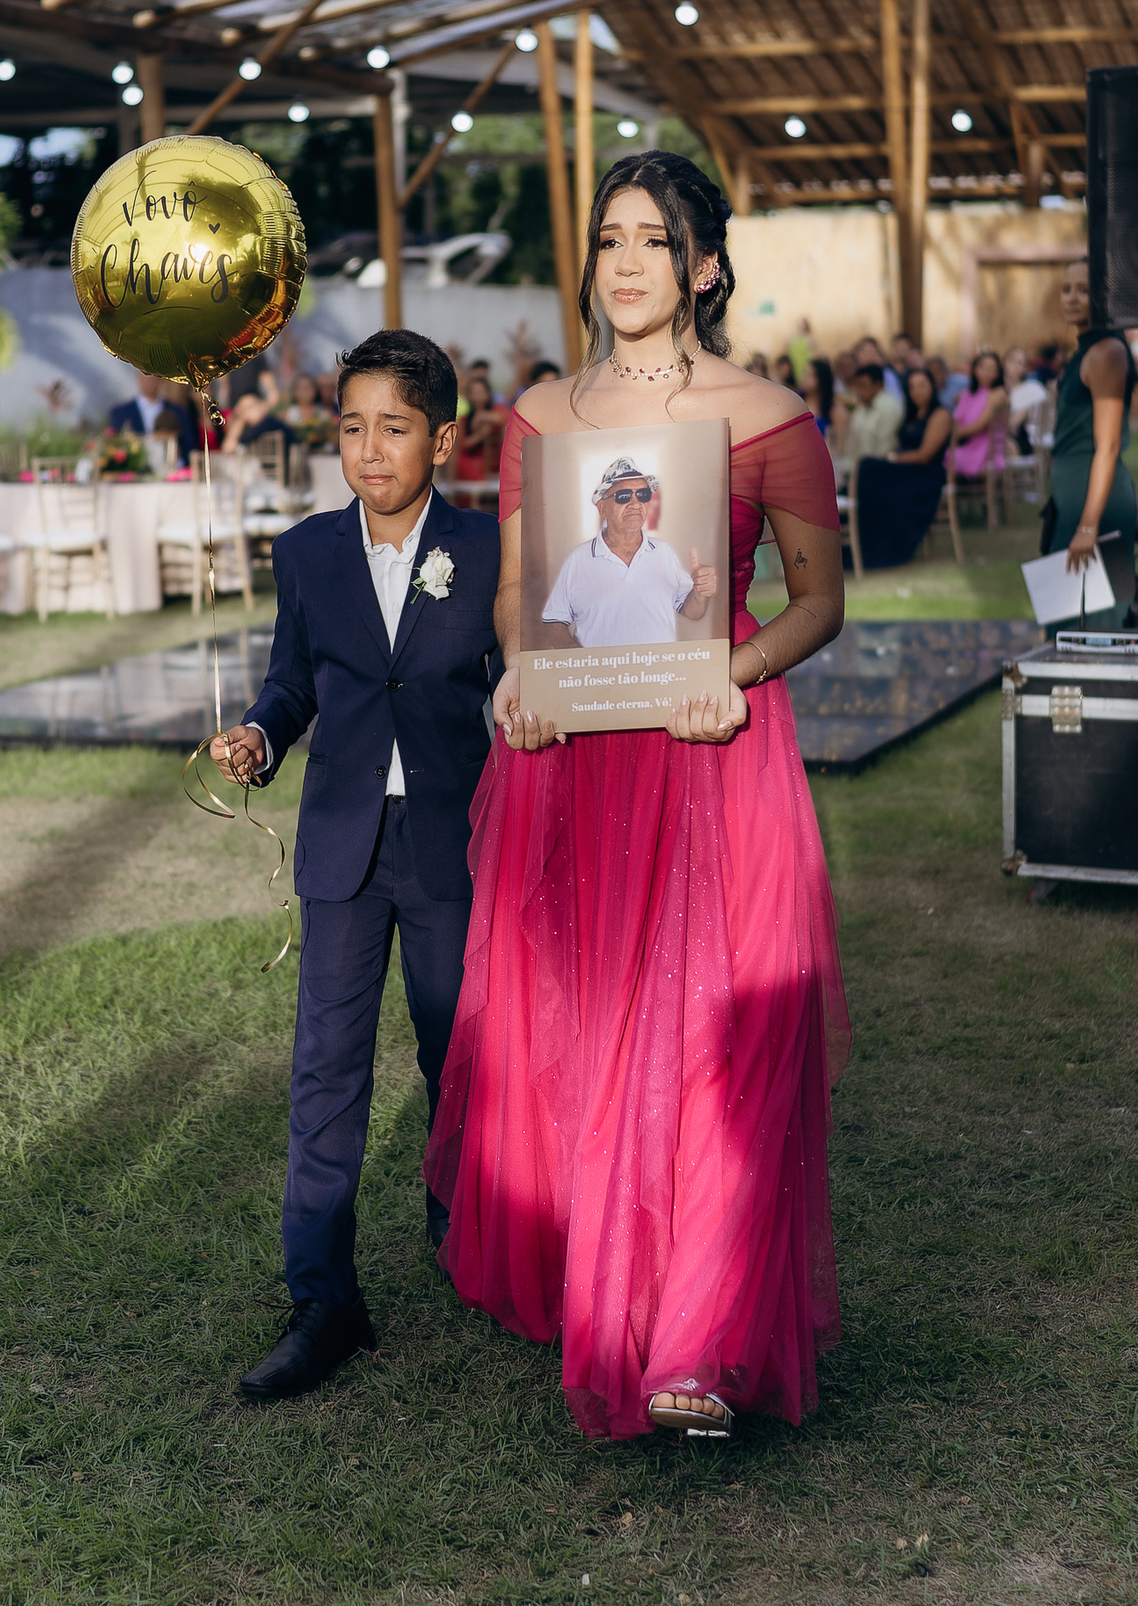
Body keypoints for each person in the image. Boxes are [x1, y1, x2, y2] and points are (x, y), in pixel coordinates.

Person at [425, 149, 851, 1442]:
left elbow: (821, 600)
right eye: (609, 238)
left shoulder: (771, 421)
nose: (625, 262)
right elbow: (518, 589)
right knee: (593, 1025)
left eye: (653, 240)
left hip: (714, 754)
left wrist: (742, 665)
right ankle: (611, 1284)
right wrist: (514, 675)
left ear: (705, 264)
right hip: (575, 764)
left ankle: (701, 1343)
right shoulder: (545, 420)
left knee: (717, 1039)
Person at [208, 330, 501, 1402]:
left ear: (444, 437)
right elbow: (294, 684)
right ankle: (323, 1298)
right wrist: (259, 734)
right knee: (325, 1074)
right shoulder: (309, 555)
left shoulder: (493, 552)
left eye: (394, 428)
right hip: (340, 847)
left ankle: (474, 1244)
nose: (369, 451)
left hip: (448, 847)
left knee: (457, 1060)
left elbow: (515, 685)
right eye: (351, 427)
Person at [541, 458, 717, 647]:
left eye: (642, 494)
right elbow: (554, 621)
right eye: (623, 496)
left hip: (659, 673)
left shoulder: (664, 552)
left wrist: (700, 592)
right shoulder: (578, 559)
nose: (635, 503)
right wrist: (580, 662)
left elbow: (691, 612)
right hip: (600, 675)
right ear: (602, 508)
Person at [1049, 256, 1136, 629]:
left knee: (1100, 626)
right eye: (1067, 289)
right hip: (1073, 504)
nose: (1072, 298)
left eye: (1084, 290)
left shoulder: (1106, 353)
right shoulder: (1084, 350)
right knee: (1062, 620)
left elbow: (1109, 445)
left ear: (1106, 297)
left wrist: (1088, 527)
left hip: (1097, 508)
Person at [854, 366, 953, 570]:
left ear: (932, 387)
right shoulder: (912, 415)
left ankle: (883, 549)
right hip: (906, 470)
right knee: (868, 469)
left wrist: (891, 459)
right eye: (911, 387)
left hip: (926, 474)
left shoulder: (940, 415)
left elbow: (925, 455)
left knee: (869, 468)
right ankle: (863, 544)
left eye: (921, 385)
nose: (916, 391)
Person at [107, 371, 194, 465]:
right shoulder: (121, 413)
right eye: (146, 379)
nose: (150, 383)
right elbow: (116, 446)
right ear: (139, 379)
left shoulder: (177, 411)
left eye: (154, 379)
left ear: (161, 381)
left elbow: (189, 445)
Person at [951, 351, 1008, 481]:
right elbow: (956, 419)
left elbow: (980, 426)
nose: (986, 372)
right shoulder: (967, 394)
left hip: (987, 448)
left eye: (991, 369)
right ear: (975, 369)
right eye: (982, 367)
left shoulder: (997, 394)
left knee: (944, 454)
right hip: (966, 442)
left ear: (998, 373)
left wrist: (950, 434)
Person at [845, 363, 903, 464]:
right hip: (858, 466)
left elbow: (885, 448)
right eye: (857, 386)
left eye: (863, 386)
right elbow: (852, 443)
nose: (859, 391)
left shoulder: (889, 407)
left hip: (880, 467)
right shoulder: (861, 407)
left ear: (878, 385)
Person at [220, 391, 299, 455]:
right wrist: (239, 420)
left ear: (262, 405)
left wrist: (240, 420)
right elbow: (227, 448)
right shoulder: (251, 428)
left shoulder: (268, 423)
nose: (246, 412)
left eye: (250, 407)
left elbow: (232, 446)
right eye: (243, 409)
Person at [1003, 346, 1046, 455]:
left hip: (1019, 438)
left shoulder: (1031, 389)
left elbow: (1013, 425)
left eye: (1021, 363)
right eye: (1012, 360)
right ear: (1003, 363)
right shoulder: (996, 390)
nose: (1016, 366)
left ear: (1026, 368)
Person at [800, 357, 834, 435]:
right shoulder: (796, 403)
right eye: (804, 374)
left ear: (821, 378)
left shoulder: (833, 409)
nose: (804, 378)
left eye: (809, 375)